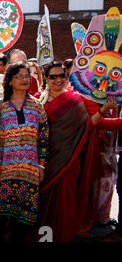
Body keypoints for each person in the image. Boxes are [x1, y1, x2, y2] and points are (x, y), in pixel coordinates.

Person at [36, 61, 119, 242]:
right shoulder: (37, 100)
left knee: (65, 201)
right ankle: (45, 237)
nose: (58, 80)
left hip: (70, 160)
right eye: (53, 77)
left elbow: (89, 125)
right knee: (46, 203)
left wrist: (104, 110)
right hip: (45, 162)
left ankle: (62, 236)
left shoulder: (76, 99)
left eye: (62, 76)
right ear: (46, 79)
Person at [0, 62, 49, 242]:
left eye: (27, 76)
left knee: (24, 224)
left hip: (29, 173)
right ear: (10, 81)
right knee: (0, 224)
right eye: (20, 77)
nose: (25, 80)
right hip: (3, 172)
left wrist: (41, 165)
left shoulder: (37, 106)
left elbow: (43, 139)